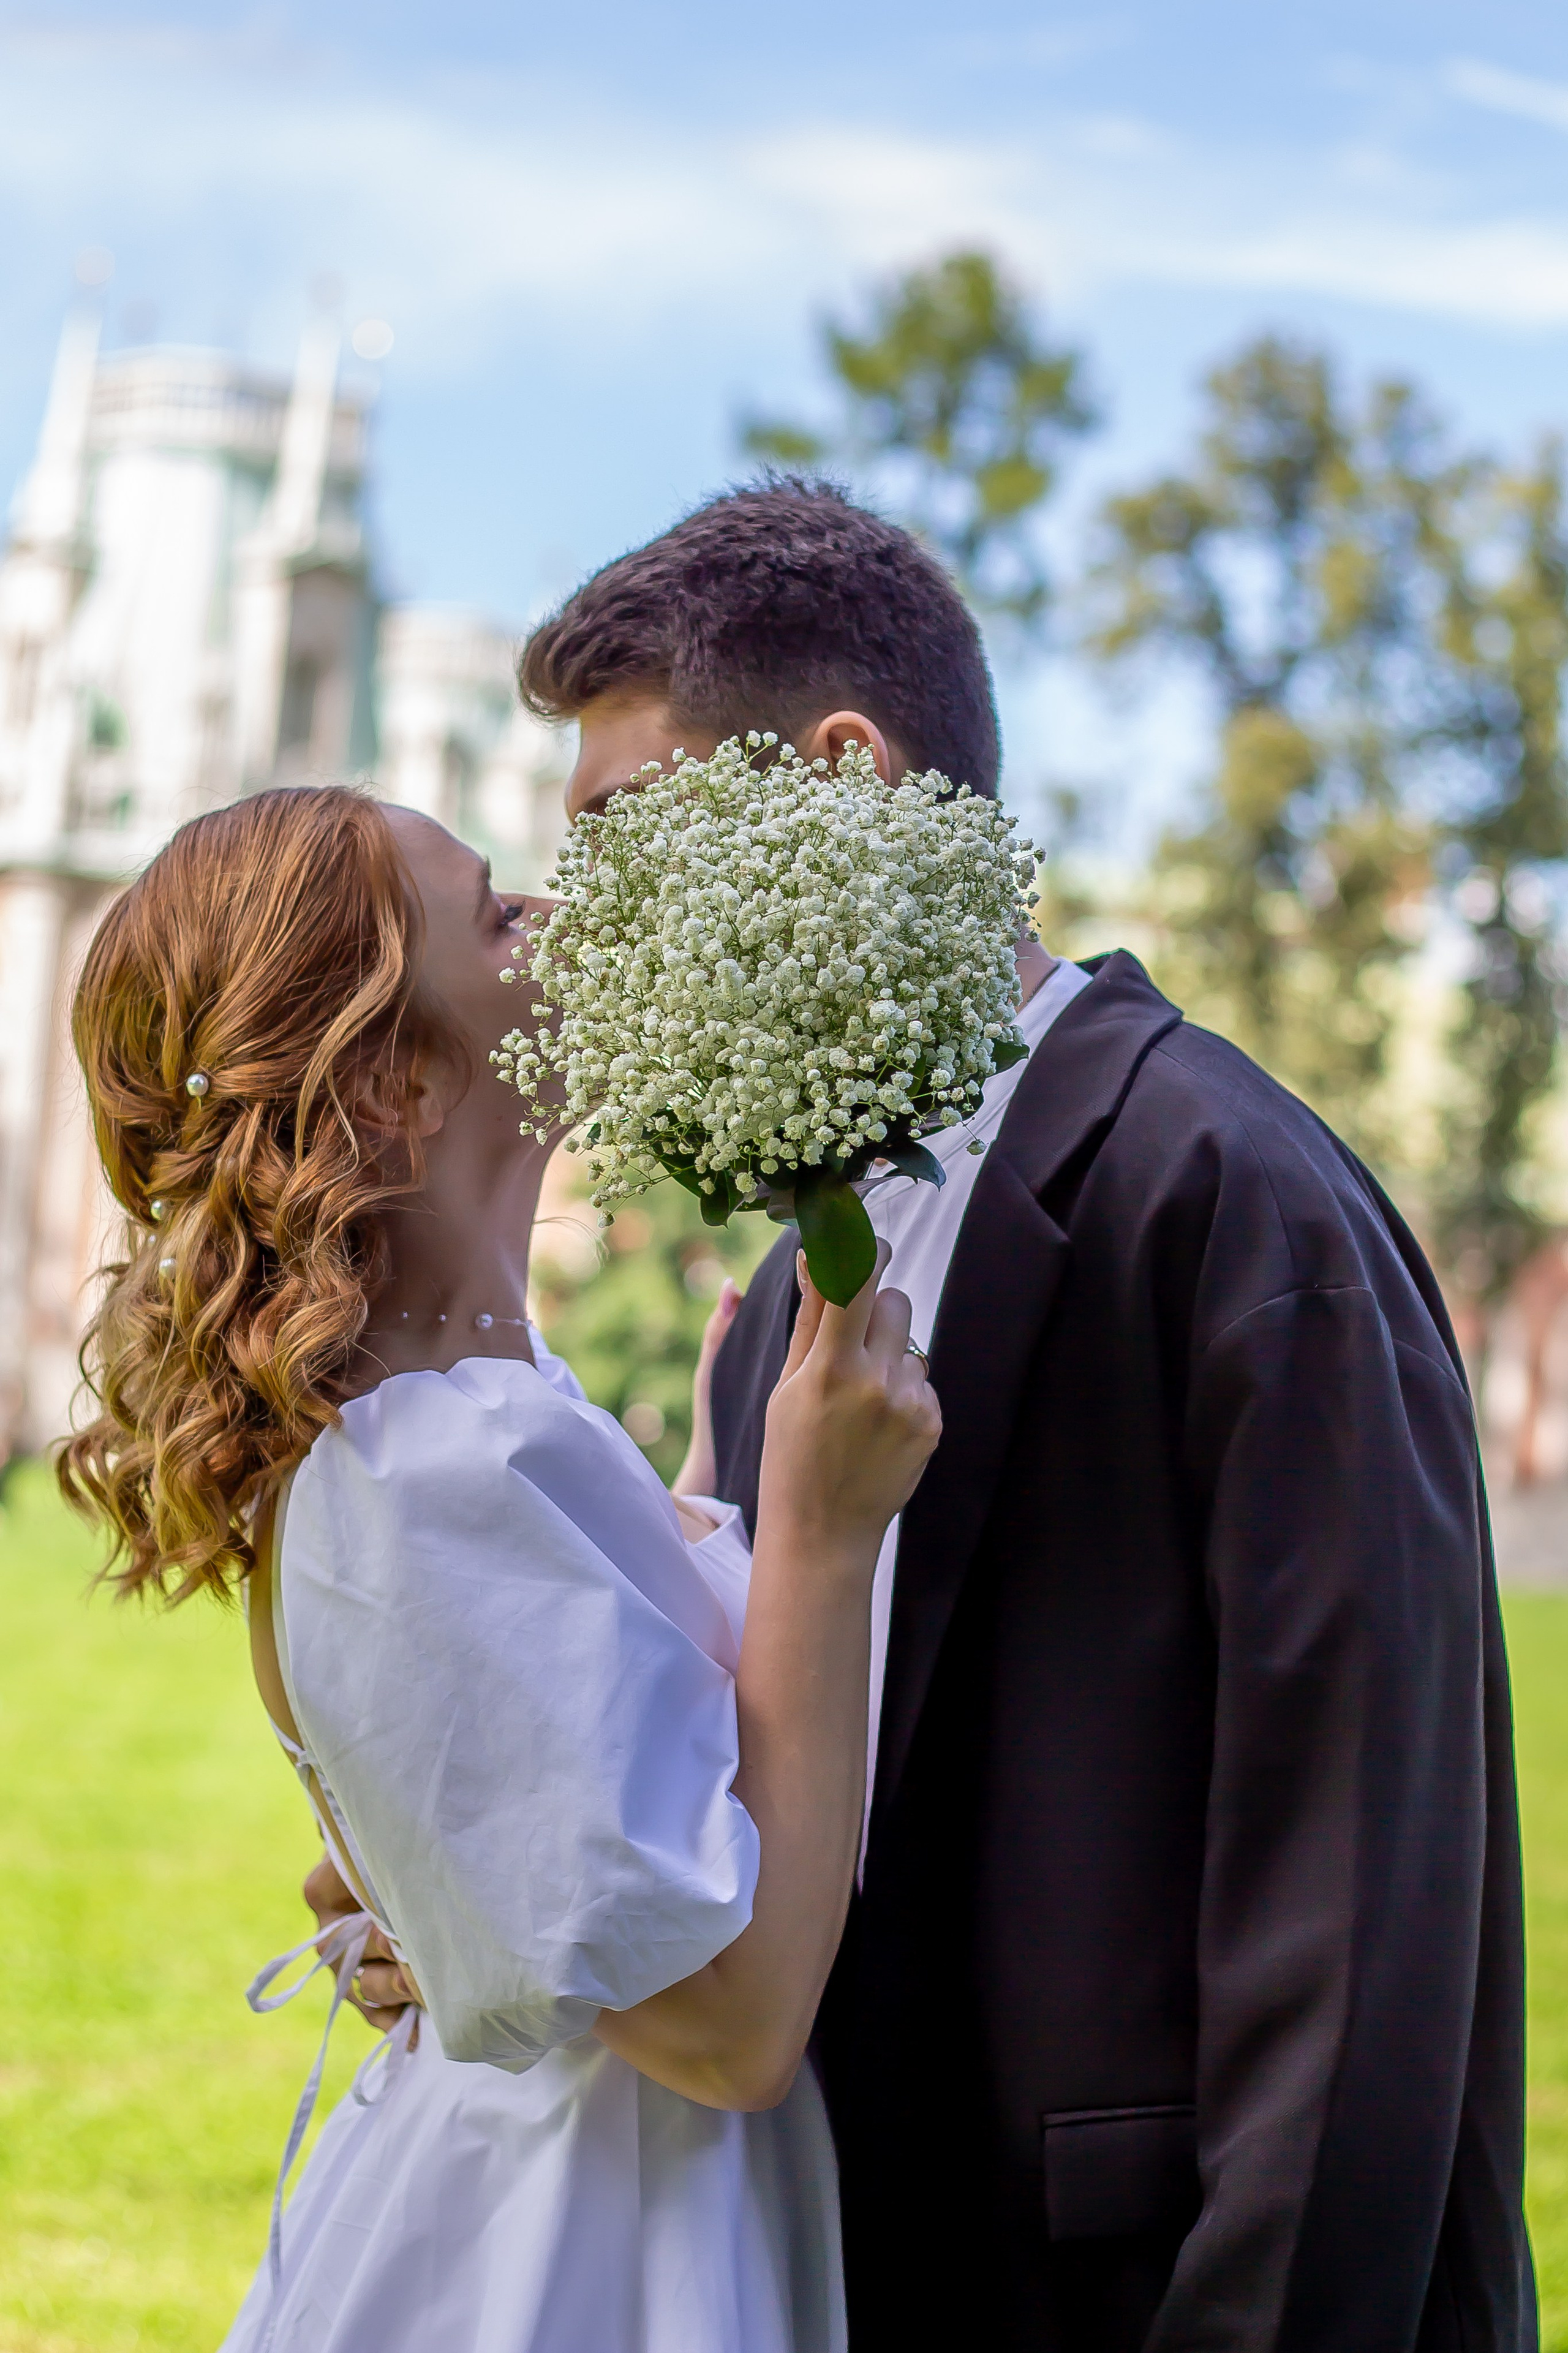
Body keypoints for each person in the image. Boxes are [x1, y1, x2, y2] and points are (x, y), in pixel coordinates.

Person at [369, 476, 1527, 2352]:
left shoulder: (1230, 1194)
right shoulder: (773, 1323)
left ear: (845, 779)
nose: (590, 932)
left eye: (631, 834)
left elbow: (1367, 1946)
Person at [61, 781, 940, 2353]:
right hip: (566, 2259)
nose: (549, 915)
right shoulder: (413, 1478)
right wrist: (815, 1528)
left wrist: (690, 1515)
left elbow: (576, 1749)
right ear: (400, 1081)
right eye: (491, 913)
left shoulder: (486, 1421)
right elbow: (728, 2025)